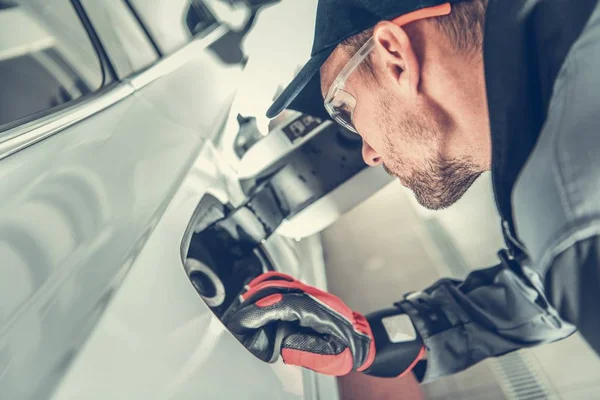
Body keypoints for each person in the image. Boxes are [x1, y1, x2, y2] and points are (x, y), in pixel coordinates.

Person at [223, 0, 600, 382]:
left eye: (343, 109)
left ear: (394, 58)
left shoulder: (568, 198)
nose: (368, 153)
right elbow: (545, 292)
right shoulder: (563, 64)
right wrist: (379, 338)